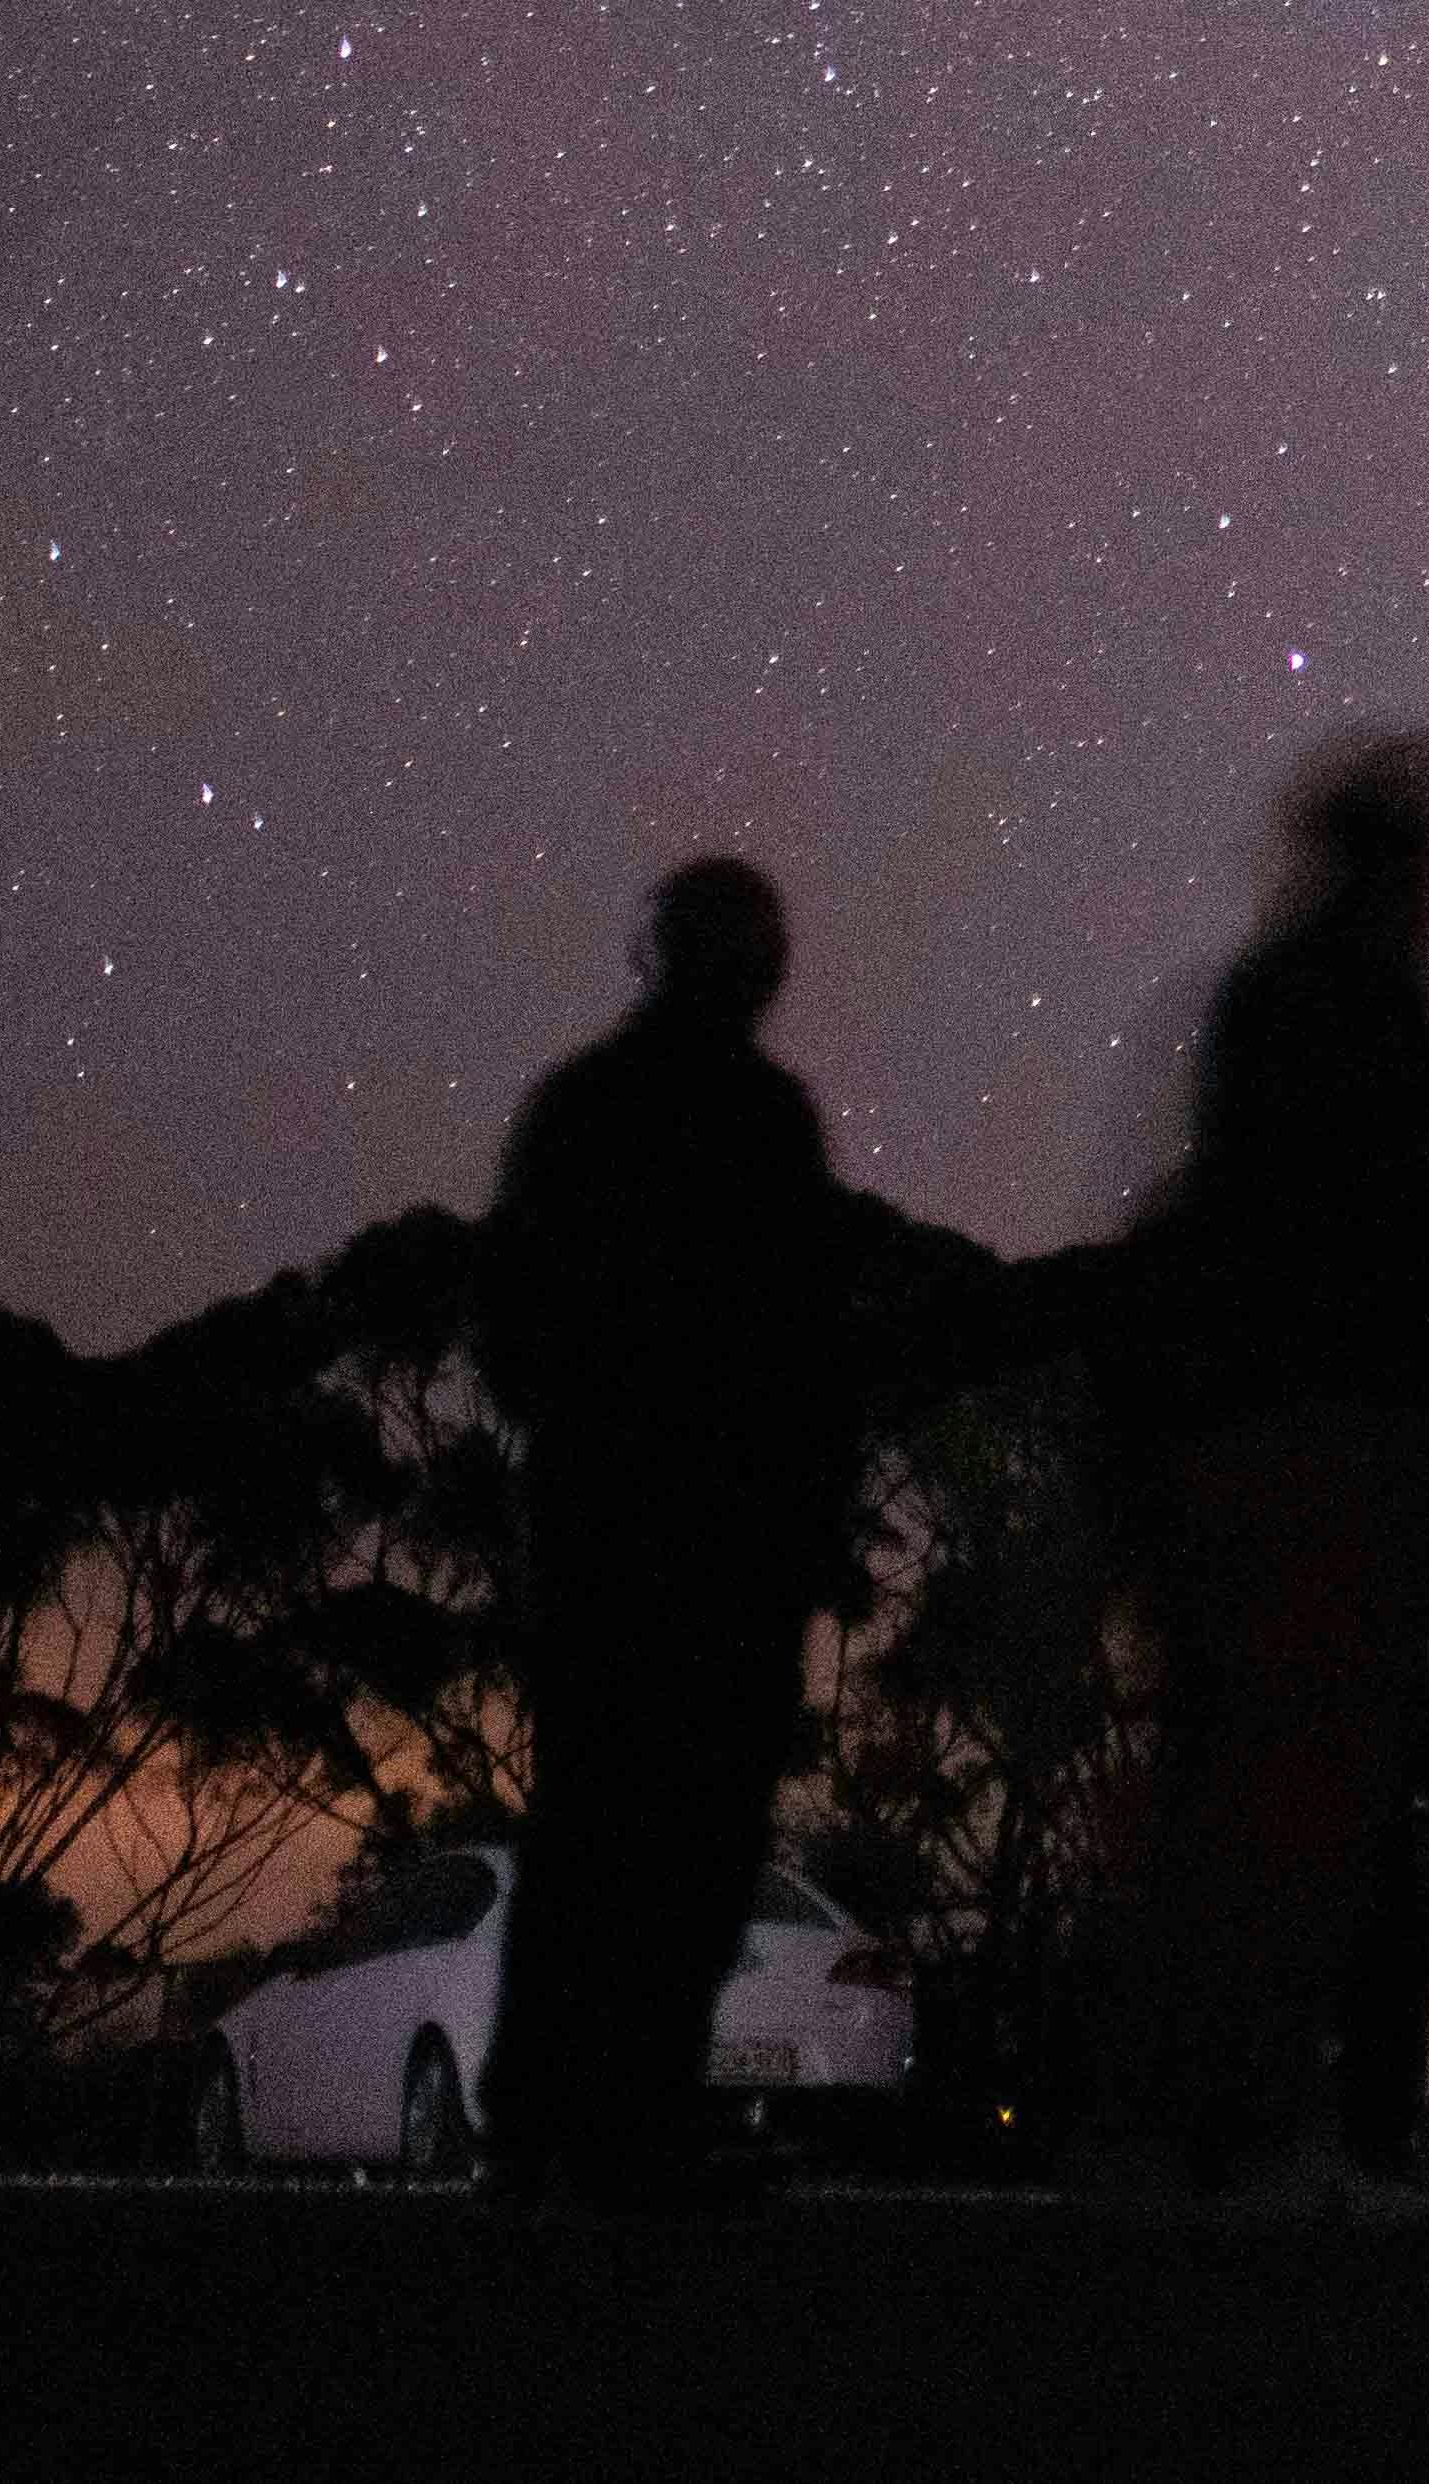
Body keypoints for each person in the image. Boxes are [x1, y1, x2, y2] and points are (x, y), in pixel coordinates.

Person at [1106, 730, 1429, 2205]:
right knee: (1303, 1803)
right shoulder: (1363, 1014)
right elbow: (1396, 1236)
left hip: (1228, 1437)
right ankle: (1262, 2125)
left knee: (1222, 1797)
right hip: (1329, 1444)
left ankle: (1183, 2123)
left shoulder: (1259, 1005)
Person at [472, 855, 869, 2207]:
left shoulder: (580, 1107)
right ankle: (628, 2118)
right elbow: (811, 1345)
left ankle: (542, 2123)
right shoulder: (764, 1120)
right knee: (691, 1836)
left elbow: (511, 1320)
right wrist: (805, 1515)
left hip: (603, 1524)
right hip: (719, 1539)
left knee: (590, 1821)